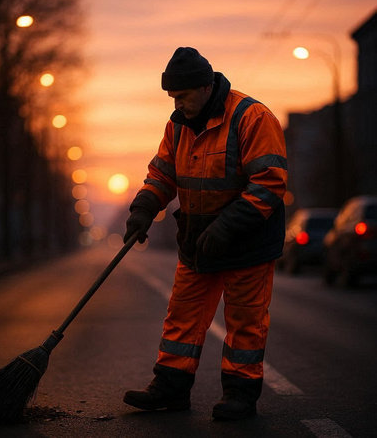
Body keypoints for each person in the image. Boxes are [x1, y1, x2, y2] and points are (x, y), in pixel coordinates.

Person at [122, 47, 287, 420]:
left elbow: (269, 183)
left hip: (248, 242)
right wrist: (143, 210)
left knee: (245, 322)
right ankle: (170, 389)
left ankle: (240, 396)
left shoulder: (252, 117)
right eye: (172, 98)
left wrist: (226, 226)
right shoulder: (178, 124)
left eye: (181, 96)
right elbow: (162, 174)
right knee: (182, 316)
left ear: (205, 86)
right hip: (198, 240)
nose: (177, 104)